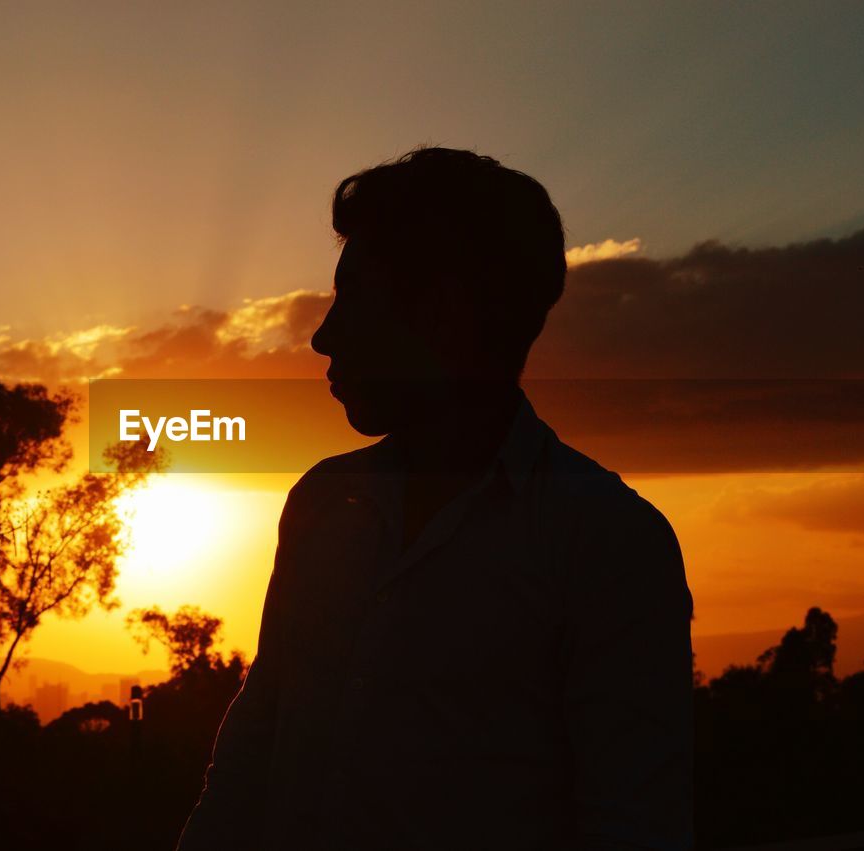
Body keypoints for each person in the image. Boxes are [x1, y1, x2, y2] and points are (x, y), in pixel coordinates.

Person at [176, 146, 695, 850]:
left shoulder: (606, 543)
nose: (322, 335)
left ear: (442, 313)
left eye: (354, 296)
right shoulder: (322, 505)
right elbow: (243, 773)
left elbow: (634, 822)